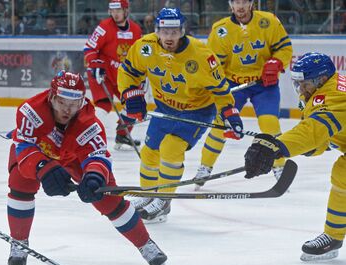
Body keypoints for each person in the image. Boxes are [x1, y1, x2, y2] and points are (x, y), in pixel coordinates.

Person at [5, 71, 168, 265]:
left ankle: (145, 244)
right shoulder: (30, 111)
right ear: (51, 97)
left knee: (108, 200)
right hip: (39, 152)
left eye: (74, 104)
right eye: (62, 103)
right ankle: (19, 241)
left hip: (74, 157)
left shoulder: (89, 123)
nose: (68, 110)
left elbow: (97, 157)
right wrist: (43, 168)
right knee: (20, 183)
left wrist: (94, 176)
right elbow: (24, 147)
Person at [117, 8, 241, 223]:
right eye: (164, 32)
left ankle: (163, 199)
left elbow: (220, 90)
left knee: (171, 148)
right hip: (165, 108)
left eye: (174, 32)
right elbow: (128, 71)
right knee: (150, 153)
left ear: (182, 31)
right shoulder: (145, 47)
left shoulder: (202, 55)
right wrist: (131, 95)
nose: (169, 37)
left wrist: (229, 114)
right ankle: (148, 195)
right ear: (156, 31)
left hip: (197, 111)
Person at [244, 52, 345, 262]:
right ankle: (333, 237)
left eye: (304, 84)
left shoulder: (336, 96)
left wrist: (276, 147)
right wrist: (309, 148)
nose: (300, 89)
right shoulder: (319, 92)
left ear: (322, 79)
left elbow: (314, 130)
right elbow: (325, 135)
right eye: (297, 84)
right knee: (342, 177)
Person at [193, 0, 293, 189]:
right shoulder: (220, 29)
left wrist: (277, 63)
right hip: (233, 85)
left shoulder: (269, 21)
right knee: (220, 125)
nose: (240, 6)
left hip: (264, 84)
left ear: (251, 3)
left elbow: (284, 48)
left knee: (270, 125)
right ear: (231, 4)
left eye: (244, 1)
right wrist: (218, 87)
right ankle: (205, 167)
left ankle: (279, 167)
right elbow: (214, 65)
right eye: (235, 2)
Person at [84, 0, 143, 150]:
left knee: (134, 104)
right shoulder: (104, 27)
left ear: (126, 11)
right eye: (113, 10)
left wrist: (142, 75)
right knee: (104, 105)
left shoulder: (136, 30)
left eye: (119, 10)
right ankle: (87, 136)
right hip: (101, 74)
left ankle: (122, 134)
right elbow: (90, 48)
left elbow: (140, 56)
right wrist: (95, 65)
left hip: (122, 77)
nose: (115, 14)